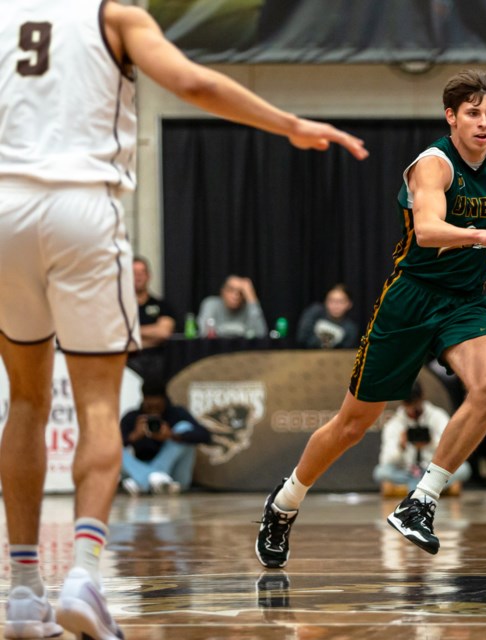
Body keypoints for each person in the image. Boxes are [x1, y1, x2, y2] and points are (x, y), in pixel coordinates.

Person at [0, 2, 367, 638]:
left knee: (25, 401)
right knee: (95, 406)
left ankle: (23, 591)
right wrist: (288, 124)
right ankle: (84, 575)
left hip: (5, 206)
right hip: (81, 206)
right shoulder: (115, 16)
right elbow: (193, 82)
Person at [255, 68, 486, 568]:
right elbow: (429, 232)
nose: (483, 123)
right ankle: (284, 503)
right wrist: (483, 234)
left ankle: (422, 501)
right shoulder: (432, 165)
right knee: (352, 425)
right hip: (411, 299)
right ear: (451, 116)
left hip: (464, 301)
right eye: (473, 113)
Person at [374, 382, 471, 496]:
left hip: (433, 471)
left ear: (421, 398)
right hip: (406, 471)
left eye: (415, 403)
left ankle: (409, 491)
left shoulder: (438, 416)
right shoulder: (394, 423)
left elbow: (452, 450)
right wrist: (401, 446)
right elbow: (385, 461)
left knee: (464, 469)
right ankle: (434, 490)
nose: (412, 409)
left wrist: (432, 443)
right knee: (381, 472)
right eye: (408, 404)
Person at [120, 379, 211, 496]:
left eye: (157, 407)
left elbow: (206, 436)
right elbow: (115, 447)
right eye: (150, 407)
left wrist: (172, 436)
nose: (153, 411)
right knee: (113, 448)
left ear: (165, 400)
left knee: (184, 427)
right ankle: (155, 479)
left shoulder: (177, 413)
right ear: (143, 400)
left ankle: (144, 481)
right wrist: (133, 436)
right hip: (150, 470)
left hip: (175, 475)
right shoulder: (132, 417)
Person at [126, 256, 177, 382]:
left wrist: (131, 333)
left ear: (149, 276)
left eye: (141, 272)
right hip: (127, 363)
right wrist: (151, 335)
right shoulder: (120, 309)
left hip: (157, 362)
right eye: (134, 273)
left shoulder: (162, 306)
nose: (138, 277)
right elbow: (117, 337)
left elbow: (164, 333)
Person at [197, 275, 268, 339]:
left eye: (241, 292)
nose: (235, 296)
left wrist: (251, 298)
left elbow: (261, 333)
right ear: (223, 291)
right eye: (231, 290)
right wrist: (242, 331)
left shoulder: (248, 308)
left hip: (243, 351)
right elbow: (203, 332)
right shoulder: (211, 303)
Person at [295, 283, 360, 349]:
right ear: (325, 302)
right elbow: (302, 337)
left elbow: (346, 351)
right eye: (332, 301)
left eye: (340, 301)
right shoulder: (315, 313)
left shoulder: (351, 328)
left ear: (349, 304)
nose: (336, 305)